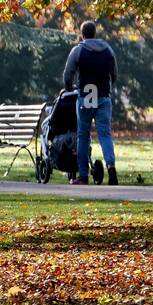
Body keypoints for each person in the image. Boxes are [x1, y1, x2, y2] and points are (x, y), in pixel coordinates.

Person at [63, 20, 119, 186]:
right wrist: (108, 86)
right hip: (103, 97)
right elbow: (114, 73)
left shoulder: (78, 50)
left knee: (83, 135)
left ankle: (83, 175)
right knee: (105, 134)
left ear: (82, 34)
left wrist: (69, 88)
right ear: (95, 33)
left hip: (85, 98)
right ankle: (111, 167)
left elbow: (68, 74)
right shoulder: (108, 50)